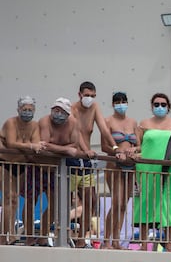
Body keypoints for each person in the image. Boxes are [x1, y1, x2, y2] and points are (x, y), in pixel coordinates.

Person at [130, 93, 171, 252]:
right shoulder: (143, 124)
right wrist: (133, 152)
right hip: (147, 170)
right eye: (156, 104)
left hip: (168, 170)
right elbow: (139, 147)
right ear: (151, 106)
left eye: (163, 104)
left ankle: (169, 245)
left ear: (168, 106)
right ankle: (143, 245)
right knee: (145, 203)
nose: (160, 107)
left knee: (168, 204)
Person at [70, 81, 121, 248]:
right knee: (64, 202)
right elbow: (77, 134)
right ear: (79, 95)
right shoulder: (72, 109)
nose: (90, 99)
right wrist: (85, 150)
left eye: (93, 96)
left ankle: (80, 239)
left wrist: (115, 147)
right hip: (71, 157)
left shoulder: (95, 107)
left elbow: (104, 130)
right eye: (86, 95)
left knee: (91, 201)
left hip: (86, 160)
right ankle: (56, 234)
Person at [31, 97, 79, 246]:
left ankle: (43, 235)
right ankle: (28, 235)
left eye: (61, 111)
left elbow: (75, 145)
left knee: (54, 205)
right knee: (30, 201)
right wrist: (65, 149)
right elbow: (44, 145)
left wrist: (56, 147)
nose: (57, 114)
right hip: (38, 167)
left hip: (56, 170)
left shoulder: (73, 123)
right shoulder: (45, 121)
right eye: (55, 110)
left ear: (67, 114)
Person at [0, 96, 46, 245]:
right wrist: (29, 145)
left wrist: (29, 145)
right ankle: (3, 235)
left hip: (21, 165)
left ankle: (12, 235)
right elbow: (12, 143)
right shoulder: (10, 123)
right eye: (25, 109)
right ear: (18, 110)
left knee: (15, 200)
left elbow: (36, 143)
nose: (27, 112)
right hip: (5, 162)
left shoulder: (34, 125)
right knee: (8, 198)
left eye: (30, 110)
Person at [101, 92, 139, 249]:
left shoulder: (133, 122)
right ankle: (106, 240)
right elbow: (104, 146)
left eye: (124, 101)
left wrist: (134, 150)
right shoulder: (108, 121)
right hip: (115, 165)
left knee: (124, 204)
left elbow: (140, 144)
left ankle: (116, 240)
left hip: (131, 166)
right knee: (116, 202)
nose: (121, 104)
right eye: (118, 102)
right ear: (113, 104)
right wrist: (117, 152)